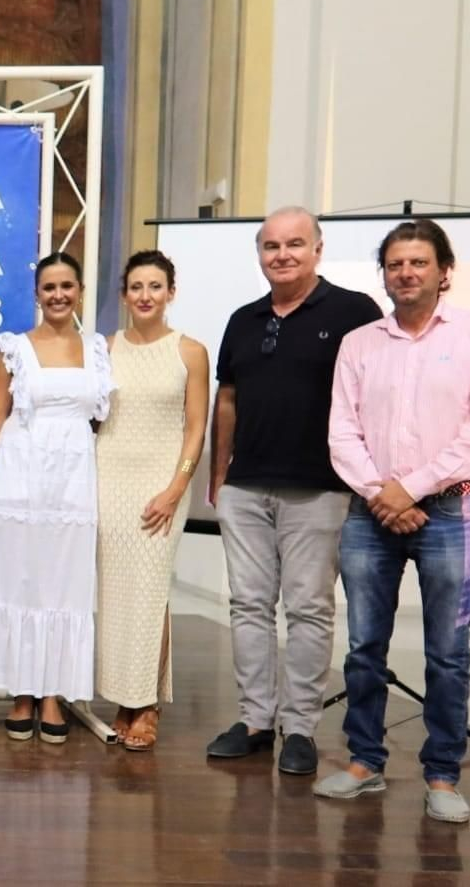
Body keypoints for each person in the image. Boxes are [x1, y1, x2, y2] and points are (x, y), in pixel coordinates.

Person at [316, 219, 470, 823]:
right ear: (384, 274)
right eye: (396, 263)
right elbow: (342, 431)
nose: (406, 273)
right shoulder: (360, 343)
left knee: (448, 652)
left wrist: (411, 489)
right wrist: (384, 494)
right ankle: (365, 762)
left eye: (419, 262)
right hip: (370, 511)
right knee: (363, 647)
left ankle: (443, 775)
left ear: (443, 271)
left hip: (452, 510)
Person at [206, 206, 382, 775]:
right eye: (271, 246)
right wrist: (218, 472)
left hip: (320, 489)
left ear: (317, 249)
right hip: (245, 488)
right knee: (248, 606)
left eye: (294, 244)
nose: (282, 255)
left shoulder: (355, 312)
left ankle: (300, 726)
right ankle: (256, 720)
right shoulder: (243, 319)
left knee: (308, 608)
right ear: (260, 254)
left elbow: (376, 398)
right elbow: (227, 398)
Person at [0, 252, 112, 743]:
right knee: (17, 577)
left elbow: (103, 421)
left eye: (67, 286)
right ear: (38, 295)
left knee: (63, 582)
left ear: (80, 291)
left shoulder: (98, 349)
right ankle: (22, 691)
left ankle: (53, 693)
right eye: (49, 287)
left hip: (73, 477)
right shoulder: (13, 348)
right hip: (20, 473)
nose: (58, 295)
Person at [94, 250, 209, 751]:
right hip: (107, 479)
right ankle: (123, 698)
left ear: (171, 293)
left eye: (155, 286)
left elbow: (196, 426)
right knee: (115, 594)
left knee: (150, 591)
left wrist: (176, 488)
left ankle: (146, 703)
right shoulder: (104, 348)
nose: (145, 295)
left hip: (163, 485)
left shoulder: (190, 351)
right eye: (136, 287)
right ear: (124, 295)